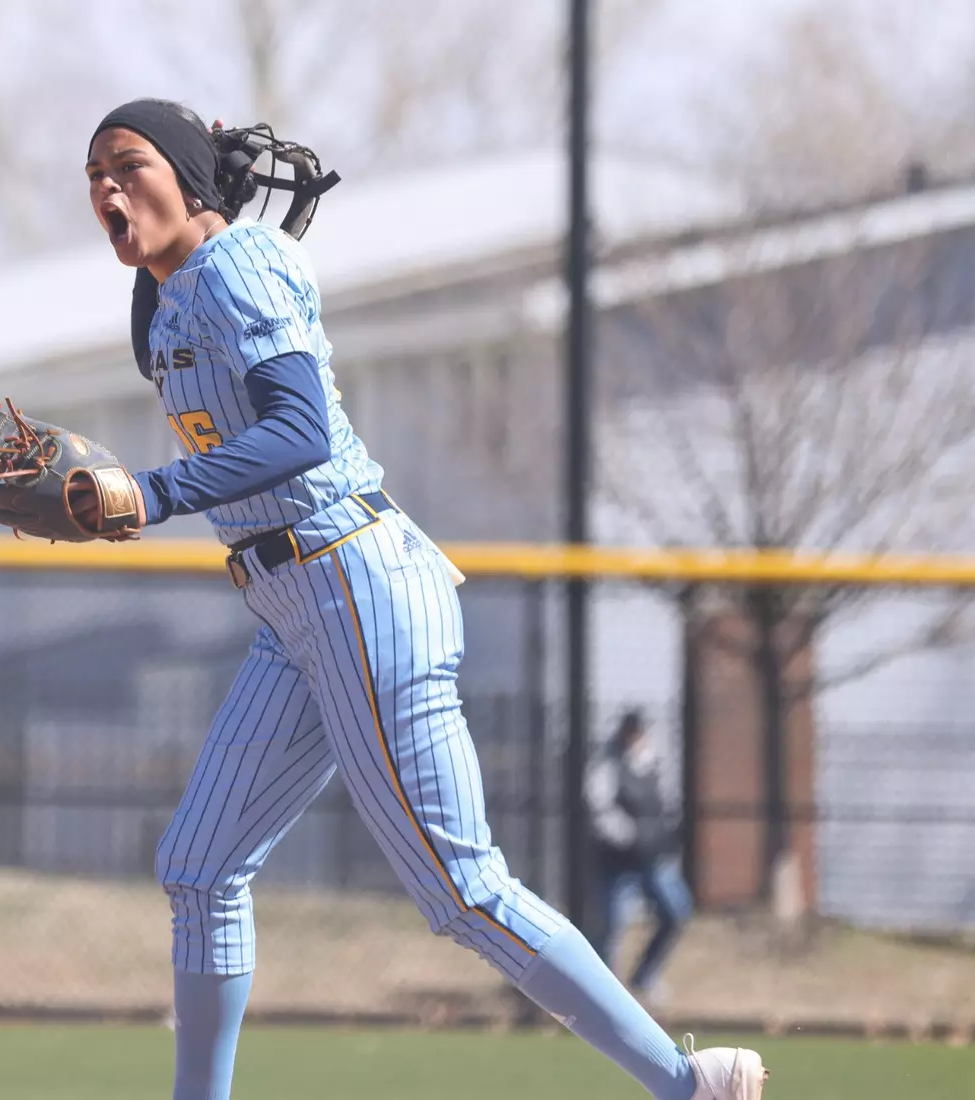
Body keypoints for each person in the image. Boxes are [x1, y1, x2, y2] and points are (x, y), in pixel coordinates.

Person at [80, 98, 767, 1100]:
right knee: (197, 865)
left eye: (127, 162)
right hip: (288, 609)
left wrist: (148, 491)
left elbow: (299, 432)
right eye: (92, 171)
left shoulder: (237, 264)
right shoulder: (159, 301)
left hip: (355, 581)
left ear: (188, 180)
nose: (104, 183)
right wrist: (86, 493)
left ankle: (683, 1081)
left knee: (461, 888)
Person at [588, 709, 694, 1005]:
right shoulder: (606, 763)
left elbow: (669, 803)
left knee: (676, 911)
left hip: (653, 859)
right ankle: (602, 993)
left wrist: (661, 838)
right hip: (619, 862)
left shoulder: (654, 762)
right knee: (612, 925)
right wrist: (629, 837)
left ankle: (645, 975)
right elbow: (600, 809)